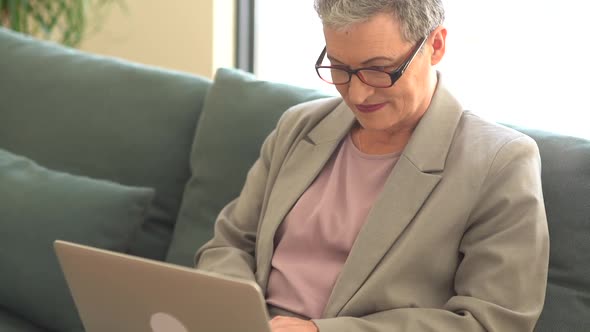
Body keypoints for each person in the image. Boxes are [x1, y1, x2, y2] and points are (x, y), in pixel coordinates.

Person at [195, 0, 550, 331]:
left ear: (436, 45)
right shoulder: (298, 128)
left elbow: (490, 322)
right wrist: (242, 318)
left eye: (379, 70)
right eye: (339, 68)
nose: (358, 95)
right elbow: (228, 245)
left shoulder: (500, 163)